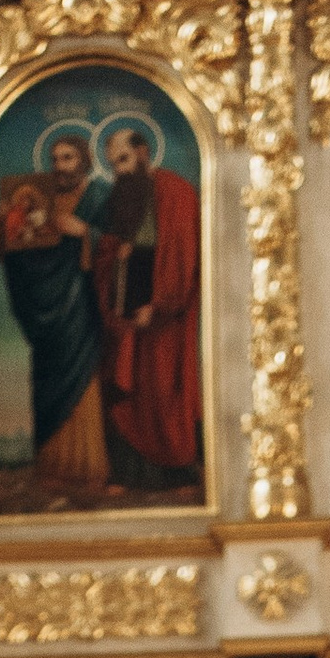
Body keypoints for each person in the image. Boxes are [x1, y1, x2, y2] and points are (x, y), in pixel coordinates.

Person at [0, 131, 108, 505]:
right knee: (48, 383)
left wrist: (87, 232)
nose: (60, 166)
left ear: (85, 161)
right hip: (50, 315)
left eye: (68, 158)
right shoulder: (45, 197)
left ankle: (91, 470)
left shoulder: (99, 195)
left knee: (85, 378)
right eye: (56, 159)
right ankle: (53, 470)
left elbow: (124, 243)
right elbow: (24, 253)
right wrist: (4, 228)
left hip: (85, 305)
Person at [90, 120, 200, 491]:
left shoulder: (176, 193)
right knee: (122, 392)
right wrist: (114, 256)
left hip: (164, 318)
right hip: (123, 316)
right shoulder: (121, 197)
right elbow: (107, 250)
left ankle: (177, 472)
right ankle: (127, 474)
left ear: (142, 153)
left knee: (162, 391)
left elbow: (183, 255)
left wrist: (160, 304)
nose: (119, 171)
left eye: (123, 161)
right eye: (112, 165)